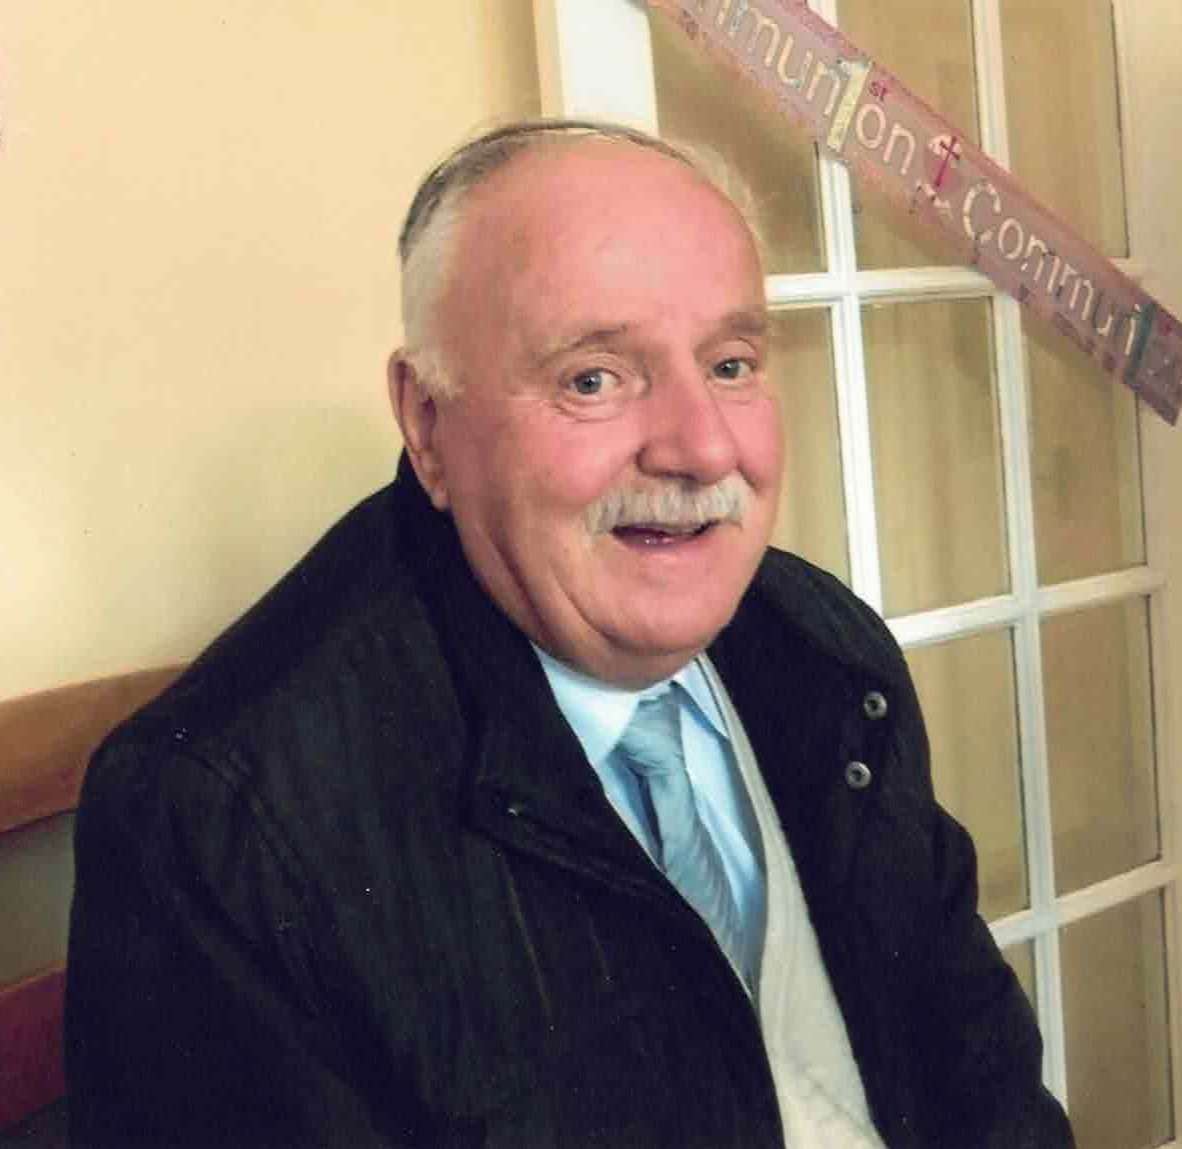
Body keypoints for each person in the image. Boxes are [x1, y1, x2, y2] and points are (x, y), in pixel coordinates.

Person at [66, 120, 1074, 1148]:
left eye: (731, 364)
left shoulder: (824, 645)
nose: (703, 446)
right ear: (428, 423)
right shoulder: (220, 819)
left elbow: (984, 1079)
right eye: (594, 378)